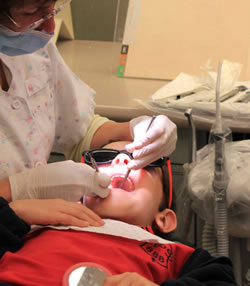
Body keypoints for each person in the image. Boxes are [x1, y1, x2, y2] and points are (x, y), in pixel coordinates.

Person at [0, 0, 177, 213]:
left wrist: (131, 129)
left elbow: (75, 129)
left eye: (53, 9)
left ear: (165, 220)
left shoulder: (31, 46)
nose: (50, 28)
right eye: (31, 13)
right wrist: (20, 189)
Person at [0, 141, 237, 286]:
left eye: (144, 162)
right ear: (78, 199)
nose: (121, 159)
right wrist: (14, 212)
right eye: (104, 158)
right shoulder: (40, 225)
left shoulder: (175, 254)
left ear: (164, 219)